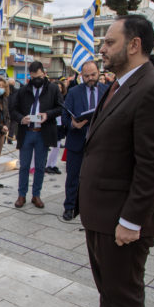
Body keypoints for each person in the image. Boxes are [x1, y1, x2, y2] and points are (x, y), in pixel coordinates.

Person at [59, 15, 154, 307]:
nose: (103, 49)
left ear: (134, 44)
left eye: (110, 42)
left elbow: (153, 166)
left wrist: (131, 220)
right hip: (102, 211)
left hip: (123, 217)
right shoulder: (120, 85)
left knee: (124, 290)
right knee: (107, 285)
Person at [11, 61, 63, 209]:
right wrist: (22, 118)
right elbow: (13, 110)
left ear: (44, 74)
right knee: (24, 166)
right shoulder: (23, 90)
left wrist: (47, 114)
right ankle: (22, 195)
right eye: (33, 78)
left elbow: (60, 107)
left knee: (40, 166)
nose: (36, 80)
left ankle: (36, 195)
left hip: (43, 133)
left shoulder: (53, 89)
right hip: (27, 132)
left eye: (39, 77)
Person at [61, 61, 108, 221]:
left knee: (97, 177)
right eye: (86, 76)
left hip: (99, 144)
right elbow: (65, 116)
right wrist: (73, 124)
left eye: (93, 75)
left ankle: (93, 207)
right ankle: (70, 206)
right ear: (81, 75)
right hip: (77, 141)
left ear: (98, 72)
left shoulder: (107, 91)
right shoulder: (74, 92)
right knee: (73, 176)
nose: (90, 78)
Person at [45, 80, 67, 175]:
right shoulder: (50, 99)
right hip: (53, 125)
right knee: (53, 147)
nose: (59, 89)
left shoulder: (63, 98)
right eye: (57, 87)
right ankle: (48, 165)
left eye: (60, 87)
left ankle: (53, 164)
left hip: (60, 124)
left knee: (57, 147)